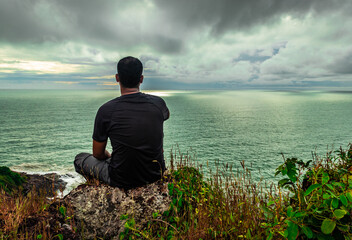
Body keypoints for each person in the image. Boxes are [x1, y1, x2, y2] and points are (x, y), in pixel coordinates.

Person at [74, 56, 169, 189]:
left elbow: (98, 154)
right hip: (155, 174)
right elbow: (159, 120)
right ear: (141, 79)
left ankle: (96, 186)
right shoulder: (159, 104)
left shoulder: (106, 110)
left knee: (80, 159)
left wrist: (110, 157)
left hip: (121, 178)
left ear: (117, 78)